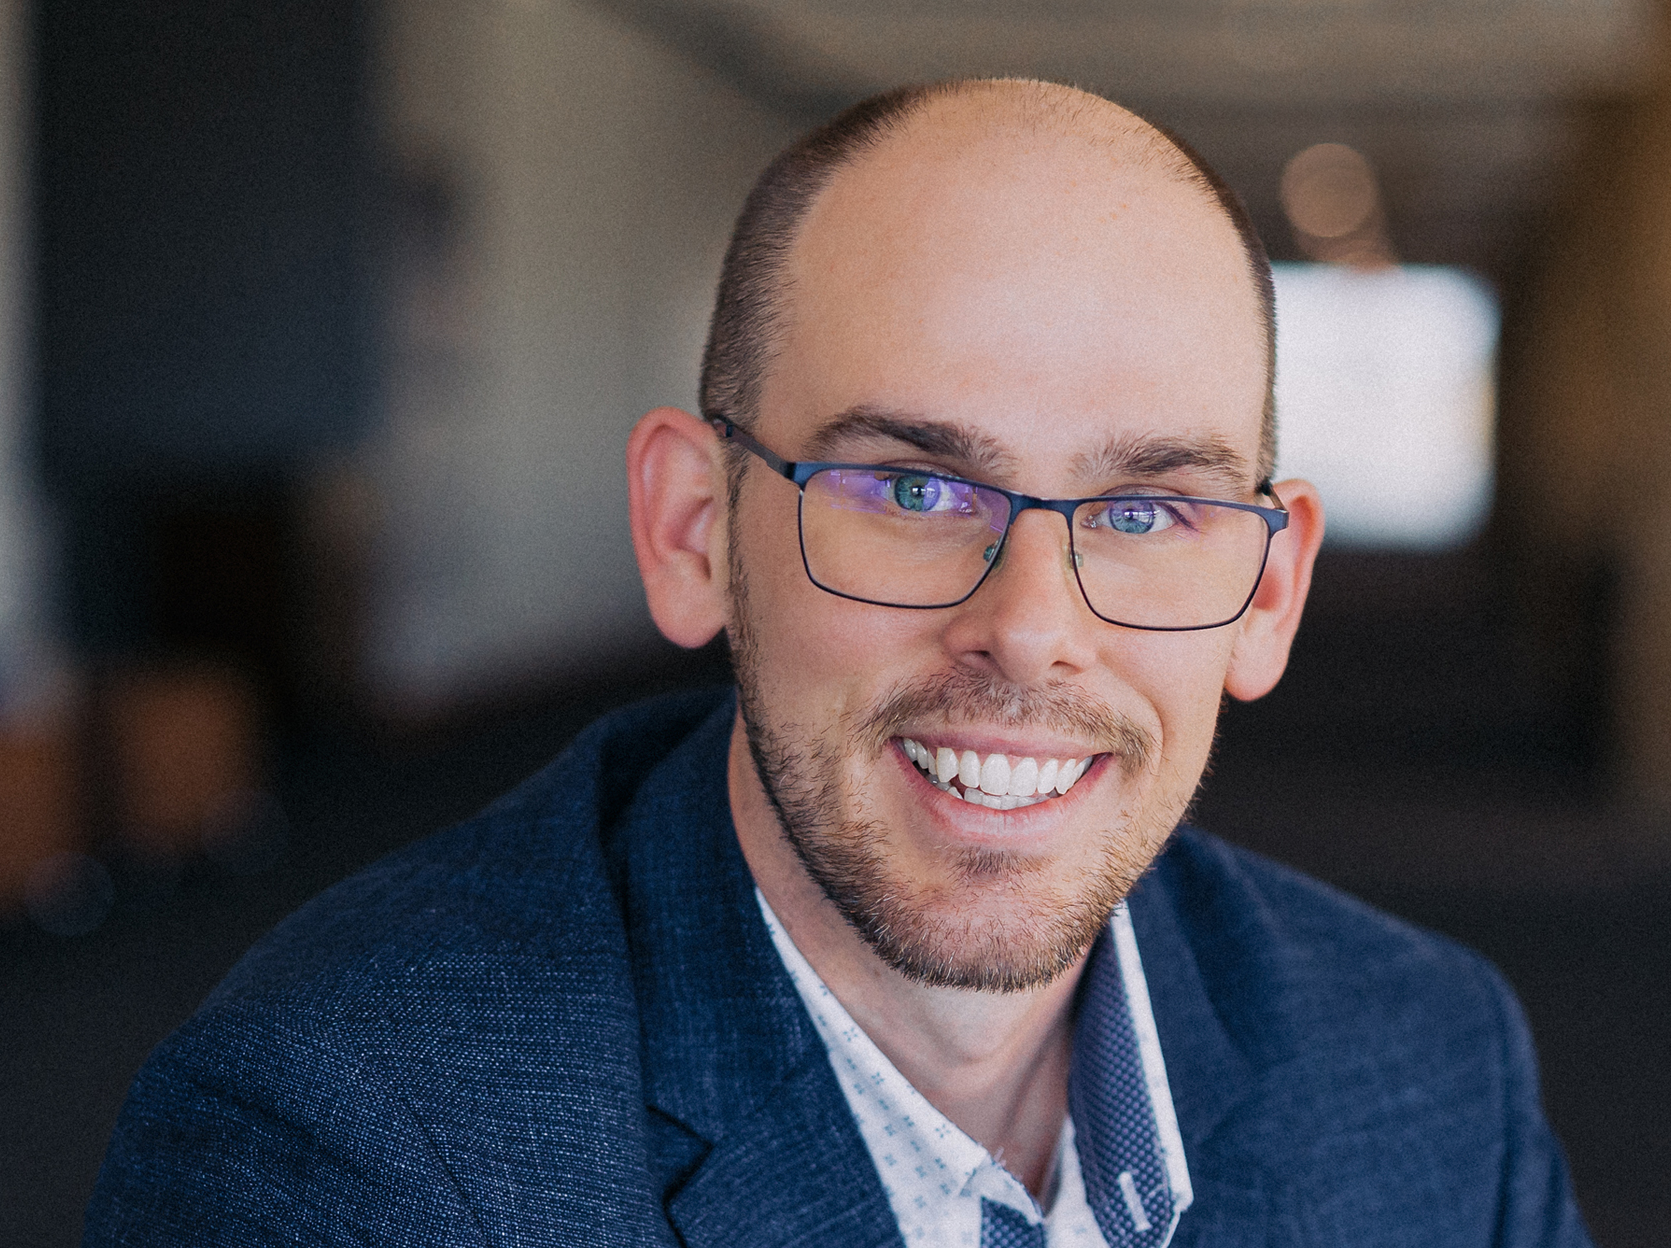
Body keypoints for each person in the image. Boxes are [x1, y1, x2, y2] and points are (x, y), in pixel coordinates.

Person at [86, 79, 1591, 1247]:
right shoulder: (351, 1150)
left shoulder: (1430, 1066)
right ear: (693, 531)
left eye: (1146, 512)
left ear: (1268, 591)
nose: (1031, 629)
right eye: (916, 489)